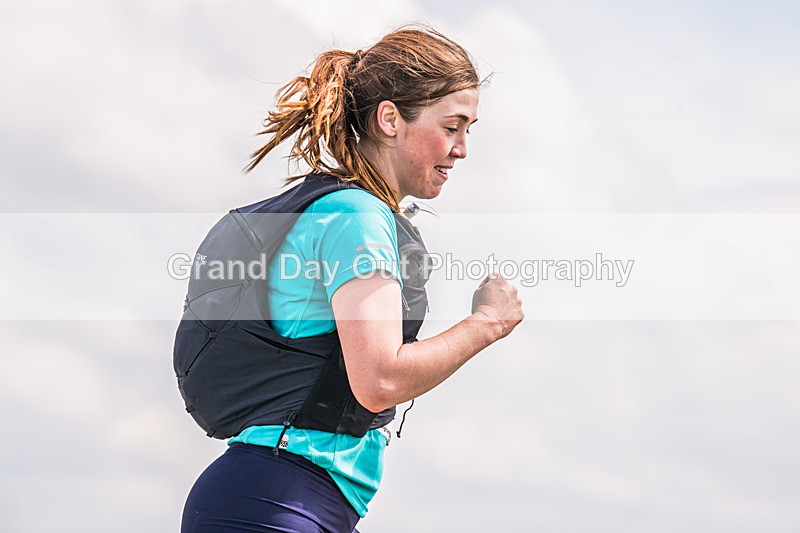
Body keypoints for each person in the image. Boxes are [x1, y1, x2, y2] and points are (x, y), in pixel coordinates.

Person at [180, 24, 524, 532]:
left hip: (285, 498)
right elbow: (380, 379)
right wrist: (488, 323)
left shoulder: (343, 209)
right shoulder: (355, 216)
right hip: (277, 500)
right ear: (390, 119)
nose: (462, 147)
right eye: (452, 126)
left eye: (469, 129)